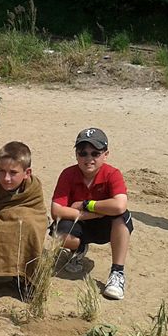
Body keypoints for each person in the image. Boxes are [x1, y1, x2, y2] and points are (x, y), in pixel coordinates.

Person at [51, 127, 133, 300]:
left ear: (106, 154)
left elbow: (119, 205)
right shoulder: (68, 174)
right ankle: (78, 249)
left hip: (105, 227)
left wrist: (86, 205)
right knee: (58, 233)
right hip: (81, 222)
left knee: (122, 217)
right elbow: (56, 210)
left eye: (95, 153)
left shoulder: (112, 174)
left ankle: (117, 273)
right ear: (76, 155)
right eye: (83, 153)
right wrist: (94, 214)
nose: (89, 159)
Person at [0, 141, 48, 287]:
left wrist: (8, 222)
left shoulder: (33, 189)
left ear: (27, 173)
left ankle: (23, 276)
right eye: (2, 171)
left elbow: (39, 219)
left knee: (31, 228)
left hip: (18, 238)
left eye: (13, 173)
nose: (6, 178)